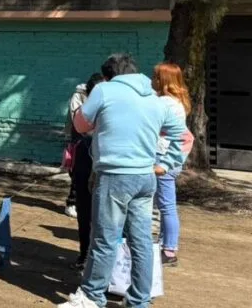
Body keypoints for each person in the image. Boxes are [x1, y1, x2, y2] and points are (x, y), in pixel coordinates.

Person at [59, 54, 186, 308]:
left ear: (109, 76)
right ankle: (139, 300)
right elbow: (181, 135)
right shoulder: (154, 97)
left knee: (105, 239)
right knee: (141, 241)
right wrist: (166, 163)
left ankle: (92, 297)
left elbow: (81, 125)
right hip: (145, 177)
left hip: (114, 175)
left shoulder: (104, 91)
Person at [151, 62, 195, 267]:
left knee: (166, 205)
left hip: (163, 157)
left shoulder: (164, 103)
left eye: (155, 77)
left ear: (164, 80)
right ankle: (164, 244)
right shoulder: (178, 102)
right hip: (169, 158)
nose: (152, 80)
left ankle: (169, 249)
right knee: (165, 205)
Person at [68, 73, 104, 270]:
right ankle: (84, 254)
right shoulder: (84, 107)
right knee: (85, 210)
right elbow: (79, 127)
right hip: (86, 157)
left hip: (106, 165)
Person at [64, 75, 100, 219]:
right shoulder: (78, 96)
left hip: (94, 139)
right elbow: (77, 117)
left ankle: (85, 204)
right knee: (77, 173)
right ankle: (71, 203)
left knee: (90, 174)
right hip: (79, 138)